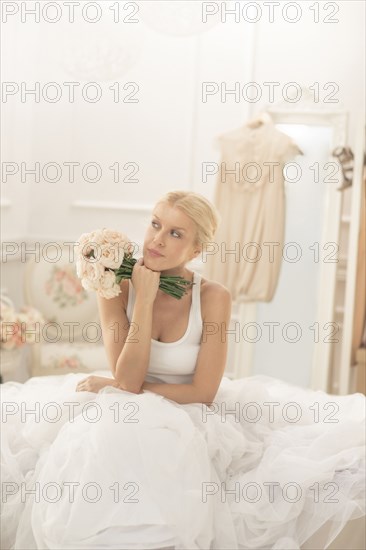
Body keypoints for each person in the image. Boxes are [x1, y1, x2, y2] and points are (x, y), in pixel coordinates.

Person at [1, 191, 365, 550]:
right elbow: (127, 377)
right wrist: (142, 300)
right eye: (156, 224)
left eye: (175, 233)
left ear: (196, 250)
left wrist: (118, 387)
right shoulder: (113, 284)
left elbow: (201, 393)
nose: (157, 239)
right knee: (107, 438)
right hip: (123, 406)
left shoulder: (213, 297)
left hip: (189, 413)